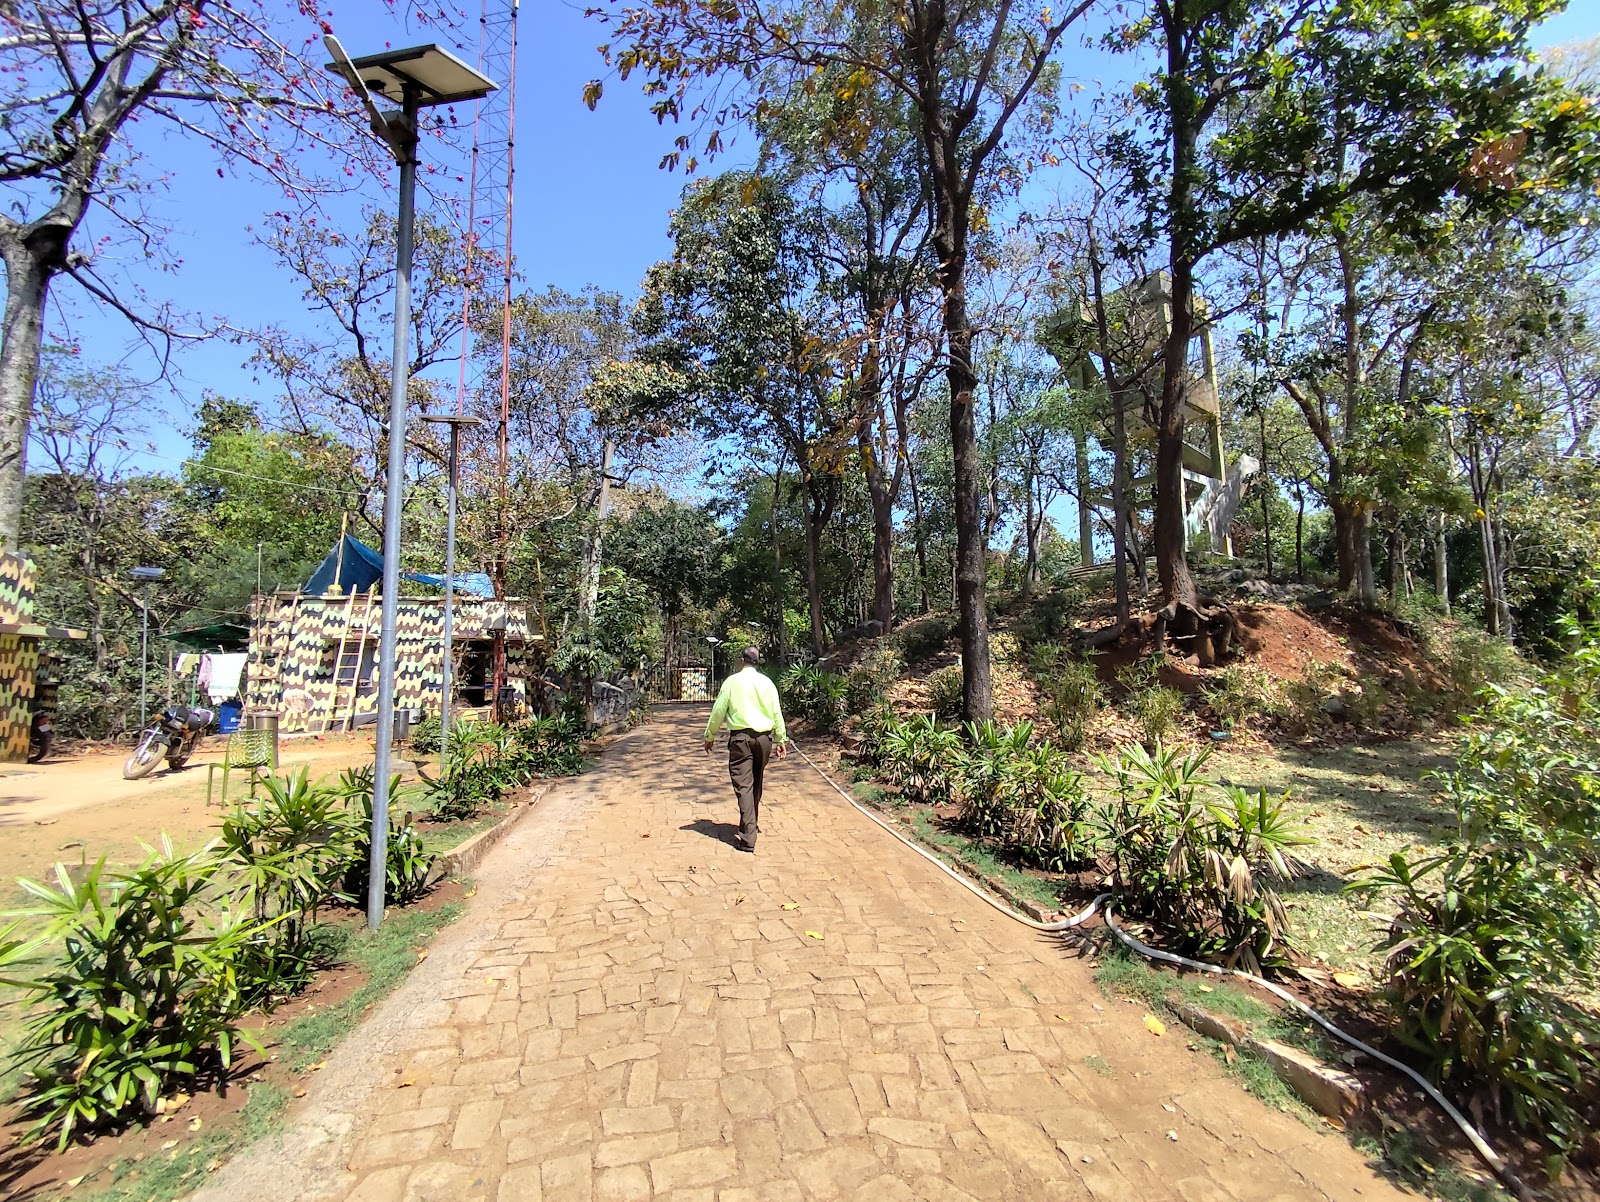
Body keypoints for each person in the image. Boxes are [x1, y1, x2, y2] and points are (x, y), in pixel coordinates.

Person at [703, 646, 788, 852]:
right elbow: (776, 712)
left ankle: (748, 837)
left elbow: (719, 711)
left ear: (742, 660)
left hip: (740, 740)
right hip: (764, 740)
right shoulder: (767, 683)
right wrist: (781, 739)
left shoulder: (732, 682)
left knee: (744, 785)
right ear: (757, 661)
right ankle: (751, 822)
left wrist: (710, 735)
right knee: (756, 782)